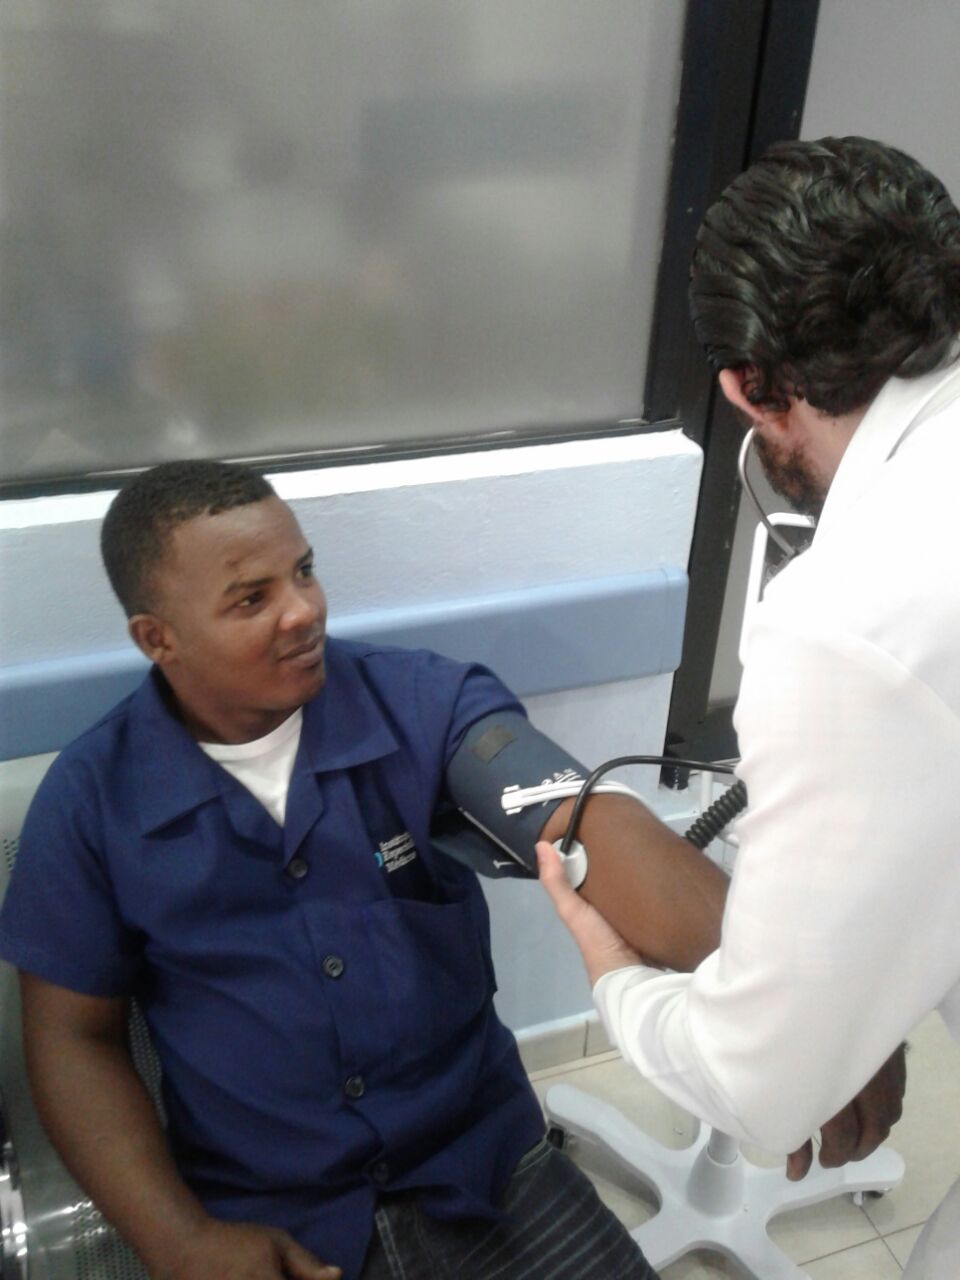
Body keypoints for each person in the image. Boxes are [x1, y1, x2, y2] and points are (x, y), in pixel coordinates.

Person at [0, 460, 733, 1280]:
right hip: (267, 1220)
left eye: (304, 571)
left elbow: (585, 820)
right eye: (252, 598)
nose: (304, 610)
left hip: (483, 1169)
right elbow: (73, 1039)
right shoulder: (92, 802)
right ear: (157, 637)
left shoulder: (421, 706)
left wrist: (783, 1009)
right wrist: (181, 1242)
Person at [538, 135, 960, 1279]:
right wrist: (854, 1002)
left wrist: (614, 973)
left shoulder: (850, 616)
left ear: (745, 387)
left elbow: (756, 1083)